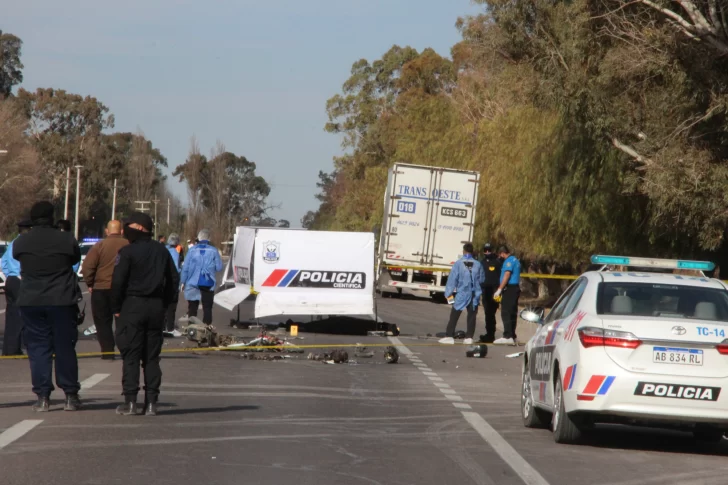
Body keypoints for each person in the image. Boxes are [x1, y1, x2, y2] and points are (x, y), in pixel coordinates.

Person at [14, 201, 82, 412]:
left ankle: (43, 396)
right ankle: (70, 394)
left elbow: (17, 258)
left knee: (38, 348)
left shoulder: (22, 242)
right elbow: (75, 259)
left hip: (32, 300)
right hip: (61, 299)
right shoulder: (65, 239)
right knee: (64, 347)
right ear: (52, 217)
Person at [111, 213, 179, 416]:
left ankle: (130, 402)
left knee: (131, 355)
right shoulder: (162, 252)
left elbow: (117, 282)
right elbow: (173, 280)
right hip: (156, 307)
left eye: (127, 226)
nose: (124, 230)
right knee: (151, 358)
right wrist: (165, 304)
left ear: (140, 228)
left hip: (132, 306)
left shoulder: (127, 252)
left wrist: (116, 307)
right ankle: (151, 402)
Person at [81, 220, 129, 359]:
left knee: (102, 323)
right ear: (121, 231)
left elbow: (87, 267)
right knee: (123, 322)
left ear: (107, 232)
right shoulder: (128, 245)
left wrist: (90, 283)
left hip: (101, 289)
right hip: (123, 290)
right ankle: (126, 350)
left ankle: (108, 352)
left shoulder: (99, 246)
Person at [439, 243, 485, 345]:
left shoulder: (459, 264)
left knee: (455, 314)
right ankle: (469, 337)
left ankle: (449, 336)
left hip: (462, 293)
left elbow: (452, 280)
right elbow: (482, 279)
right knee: (472, 315)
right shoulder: (478, 264)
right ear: (472, 251)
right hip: (474, 294)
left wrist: (448, 294)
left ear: (463, 251)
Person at [1, 219, 33, 356]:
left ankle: (9, 348)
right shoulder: (26, 244)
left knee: (11, 315)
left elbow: (3, 263)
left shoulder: (13, 243)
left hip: (11, 281)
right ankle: (16, 347)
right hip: (21, 280)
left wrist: (10, 274)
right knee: (22, 316)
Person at [180, 229, 223, 325]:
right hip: (208, 282)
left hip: (192, 282)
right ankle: (206, 328)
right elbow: (219, 267)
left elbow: (185, 268)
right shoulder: (213, 250)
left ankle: (191, 329)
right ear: (209, 238)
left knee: (192, 307)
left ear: (198, 238)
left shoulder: (192, 250)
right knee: (207, 307)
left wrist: (183, 282)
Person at [493, 245, 521, 346]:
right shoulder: (516, 260)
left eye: (500, 255)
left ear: (502, 253)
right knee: (513, 312)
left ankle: (507, 336)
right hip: (515, 288)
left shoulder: (508, 261)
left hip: (509, 289)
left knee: (506, 312)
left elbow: (507, 274)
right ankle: (512, 335)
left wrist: (499, 289)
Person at [479, 243, 503, 343]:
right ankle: (489, 334)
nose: (487, 252)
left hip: (495, 292)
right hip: (485, 291)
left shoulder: (497, 262)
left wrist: (499, 291)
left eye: (489, 250)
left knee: (492, 313)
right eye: (485, 250)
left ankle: (491, 334)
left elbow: (501, 277)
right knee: (487, 313)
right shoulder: (482, 262)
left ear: (492, 250)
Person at [163, 232, 182, 337]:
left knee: (163, 306)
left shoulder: (164, 249)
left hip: (162, 281)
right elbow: (175, 269)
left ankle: (162, 326)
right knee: (171, 306)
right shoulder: (175, 253)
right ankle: (170, 328)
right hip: (172, 282)